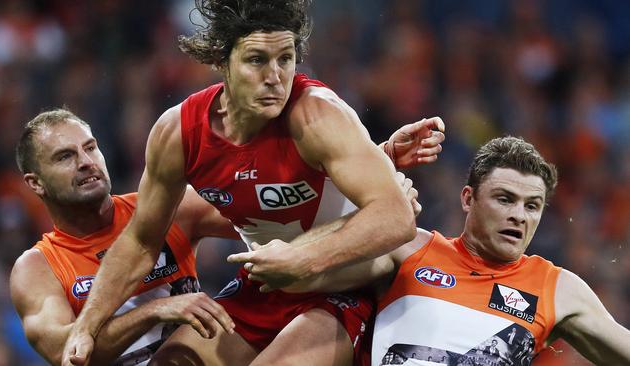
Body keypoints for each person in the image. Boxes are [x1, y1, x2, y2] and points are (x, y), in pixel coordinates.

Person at [61, 0, 446, 364]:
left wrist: (302, 258)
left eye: (286, 59)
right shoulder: (178, 133)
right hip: (268, 285)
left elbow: (397, 215)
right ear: (221, 61)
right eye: (257, 60)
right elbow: (141, 240)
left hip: (346, 287)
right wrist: (86, 325)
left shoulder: (318, 115)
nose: (275, 77)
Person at [281, 137, 630, 365]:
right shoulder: (409, 248)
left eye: (532, 206)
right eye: (504, 199)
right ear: (468, 199)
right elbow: (296, 272)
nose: (518, 216)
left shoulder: (558, 288)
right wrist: (373, 218)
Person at [10, 109, 237, 365]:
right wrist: (155, 311)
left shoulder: (169, 208)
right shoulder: (37, 268)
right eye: (65, 157)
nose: (86, 162)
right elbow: (63, 351)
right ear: (35, 183)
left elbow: (266, 219)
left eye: (90, 147)